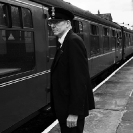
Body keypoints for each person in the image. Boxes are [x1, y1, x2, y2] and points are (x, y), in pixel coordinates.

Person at [48, 7, 95, 133]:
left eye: (57, 22)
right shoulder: (63, 42)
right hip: (64, 107)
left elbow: (79, 80)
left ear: (68, 23)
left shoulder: (73, 42)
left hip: (70, 111)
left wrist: (74, 113)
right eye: (51, 23)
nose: (53, 25)